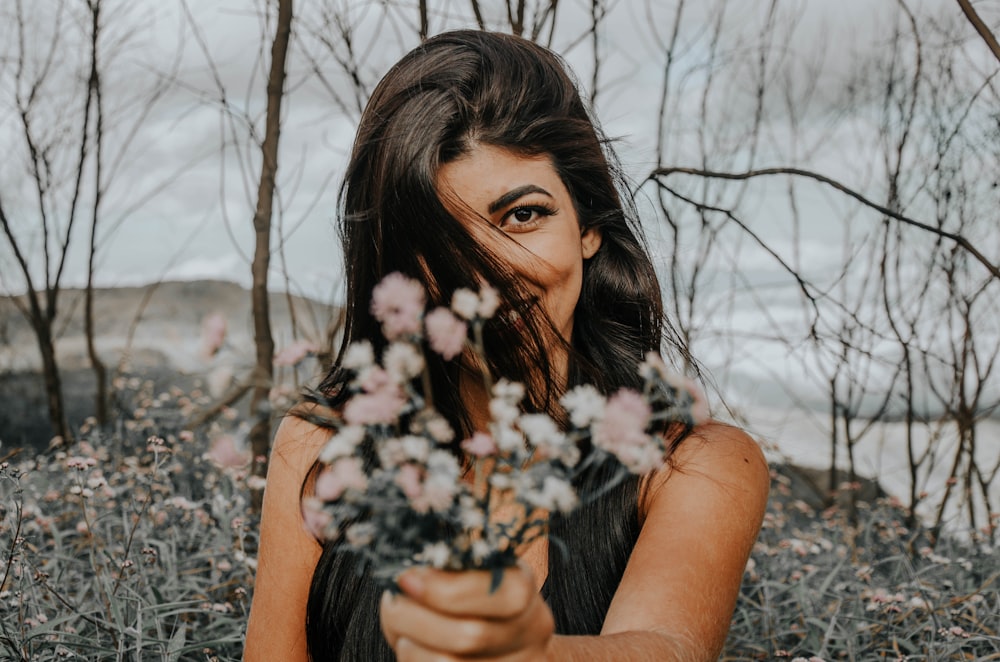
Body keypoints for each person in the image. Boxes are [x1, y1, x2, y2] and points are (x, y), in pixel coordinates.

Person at [244, 29, 769, 662]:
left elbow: (666, 645)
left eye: (523, 215)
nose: (492, 277)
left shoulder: (694, 463)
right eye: (442, 242)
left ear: (589, 226)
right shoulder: (323, 446)